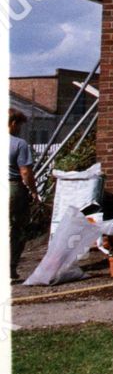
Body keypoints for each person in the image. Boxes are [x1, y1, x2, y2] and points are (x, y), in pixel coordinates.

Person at [9, 109, 40, 283]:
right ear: (14, 123)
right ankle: (10, 268)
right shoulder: (19, 144)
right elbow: (25, 172)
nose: (20, 128)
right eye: (19, 125)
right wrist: (34, 191)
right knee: (16, 228)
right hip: (13, 187)